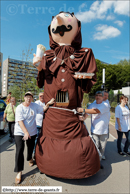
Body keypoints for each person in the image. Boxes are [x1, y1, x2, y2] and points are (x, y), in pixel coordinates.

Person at [14, 91, 55, 184]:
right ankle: (19, 172)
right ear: (24, 98)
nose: (28, 98)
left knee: (31, 148)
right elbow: (20, 121)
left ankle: (30, 158)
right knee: (19, 150)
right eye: (27, 97)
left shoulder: (34, 106)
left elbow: (43, 109)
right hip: (20, 132)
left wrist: (48, 103)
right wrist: (25, 132)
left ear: (32, 98)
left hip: (32, 132)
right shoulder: (20, 108)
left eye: (30, 97)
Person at [77, 91, 110, 168]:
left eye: (100, 95)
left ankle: (99, 161)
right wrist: (82, 118)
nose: (98, 97)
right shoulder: (91, 105)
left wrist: (82, 110)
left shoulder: (105, 105)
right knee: (95, 147)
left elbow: (95, 111)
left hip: (104, 131)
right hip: (94, 131)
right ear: (95, 97)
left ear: (102, 97)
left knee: (102, 149)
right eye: (97, 95)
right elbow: (86, 116)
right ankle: (95, 164)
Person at [33, 92, 45, 156]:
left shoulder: (46, 102)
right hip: (37, 124)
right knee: (36, 138)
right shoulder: (36, 103)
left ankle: (42, 152)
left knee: (43, 138)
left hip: (45, 125)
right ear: (38, 97)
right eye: (40, 96)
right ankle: (34, 153)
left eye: (43, 96)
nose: (42, 97)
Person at [102, 91, 111, 159]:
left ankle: (102, 154)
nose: (106, 97)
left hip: (106, 124)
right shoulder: (97, 102)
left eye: (107, 95)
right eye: (105, 95)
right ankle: (99, 154)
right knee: (99, 141)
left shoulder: (107, 101)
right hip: (100, 125)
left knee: (105, 140)